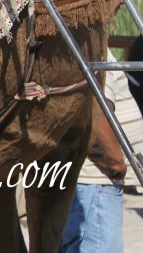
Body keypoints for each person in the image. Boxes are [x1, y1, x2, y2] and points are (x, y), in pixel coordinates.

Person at [59, 49, 143, 252]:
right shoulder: (92, 47)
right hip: (96, 183)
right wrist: (116, 161)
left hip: (91, 183)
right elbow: (98, 109)